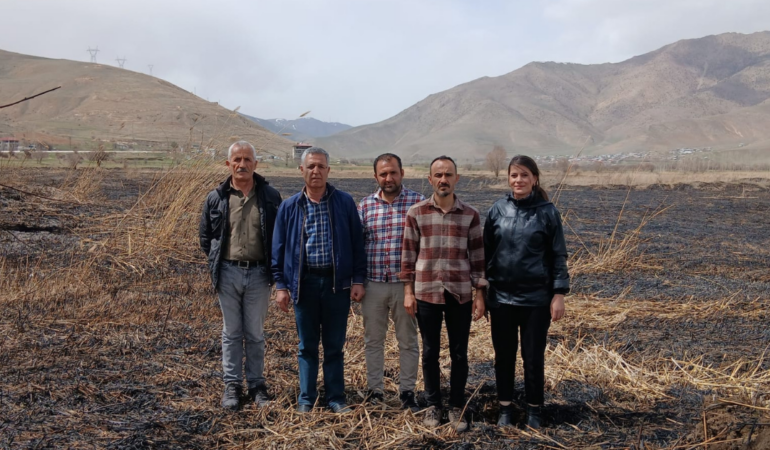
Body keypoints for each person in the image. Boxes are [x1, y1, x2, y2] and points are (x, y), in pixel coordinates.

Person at [271, 146, 366, 414]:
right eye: (311, 166)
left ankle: (336, 398)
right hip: (304, 285)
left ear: (328, 170)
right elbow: (277, 250)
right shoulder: (290, 206)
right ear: (301, 170)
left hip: (337, 285)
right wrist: (281, 285)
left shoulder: (344, 202)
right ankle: (306, 399)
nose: (316, 171)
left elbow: (357, 244)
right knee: (307, 346)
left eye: (321, 166)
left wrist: (358, 279)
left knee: (335, 346)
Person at [400, 155, 487, 432]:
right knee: (429, 352)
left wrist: (480, 294)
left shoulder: (470, 215)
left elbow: (477, 259)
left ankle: (457, 406)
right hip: (426, 293)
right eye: (438, 175)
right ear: (430, 179)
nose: (443, 180)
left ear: (456, 179)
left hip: (459, 294)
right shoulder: (416, 213)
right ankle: (433, 405)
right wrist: (408, 292)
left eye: (448, 175)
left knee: (459, 353)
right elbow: (408, 255)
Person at [483, 155, 570, 429]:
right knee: (504, 357)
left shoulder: (547, 212)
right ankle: (506, 409)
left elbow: (558, 256)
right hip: (501, 299)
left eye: (524, 175)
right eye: (513, 175)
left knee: (533, 357)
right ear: (508, 178)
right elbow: (485, 254)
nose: (518, 180)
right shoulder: (497, 210)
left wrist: (559, 294)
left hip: (536, 300)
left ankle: (534, 410)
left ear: (534, 178)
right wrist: (482, 292)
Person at [199, 140, 282, 411]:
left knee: (255, 333)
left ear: (255, 164)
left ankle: (257, 386)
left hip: (259, 274)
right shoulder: (217, 197)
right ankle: (232, 386)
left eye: (247, 159)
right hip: (227, 273)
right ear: (228, 164)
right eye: (237, 159)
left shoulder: (270, 196)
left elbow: (278, 237)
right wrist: (218, 263)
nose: (242, 164)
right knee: (231, 332)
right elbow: (206, 237)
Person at [358, 153, 424, 412]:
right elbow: (358, 246)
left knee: (408, 340)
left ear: (402, 173)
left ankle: (407, 392)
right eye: (383, 174)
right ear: (376, 177)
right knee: (373, 340)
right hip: (372, 284)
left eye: (393, 172)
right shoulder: (364, 206)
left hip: (405, 287)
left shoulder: (418, 204)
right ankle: (375, 391)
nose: (388, 178)